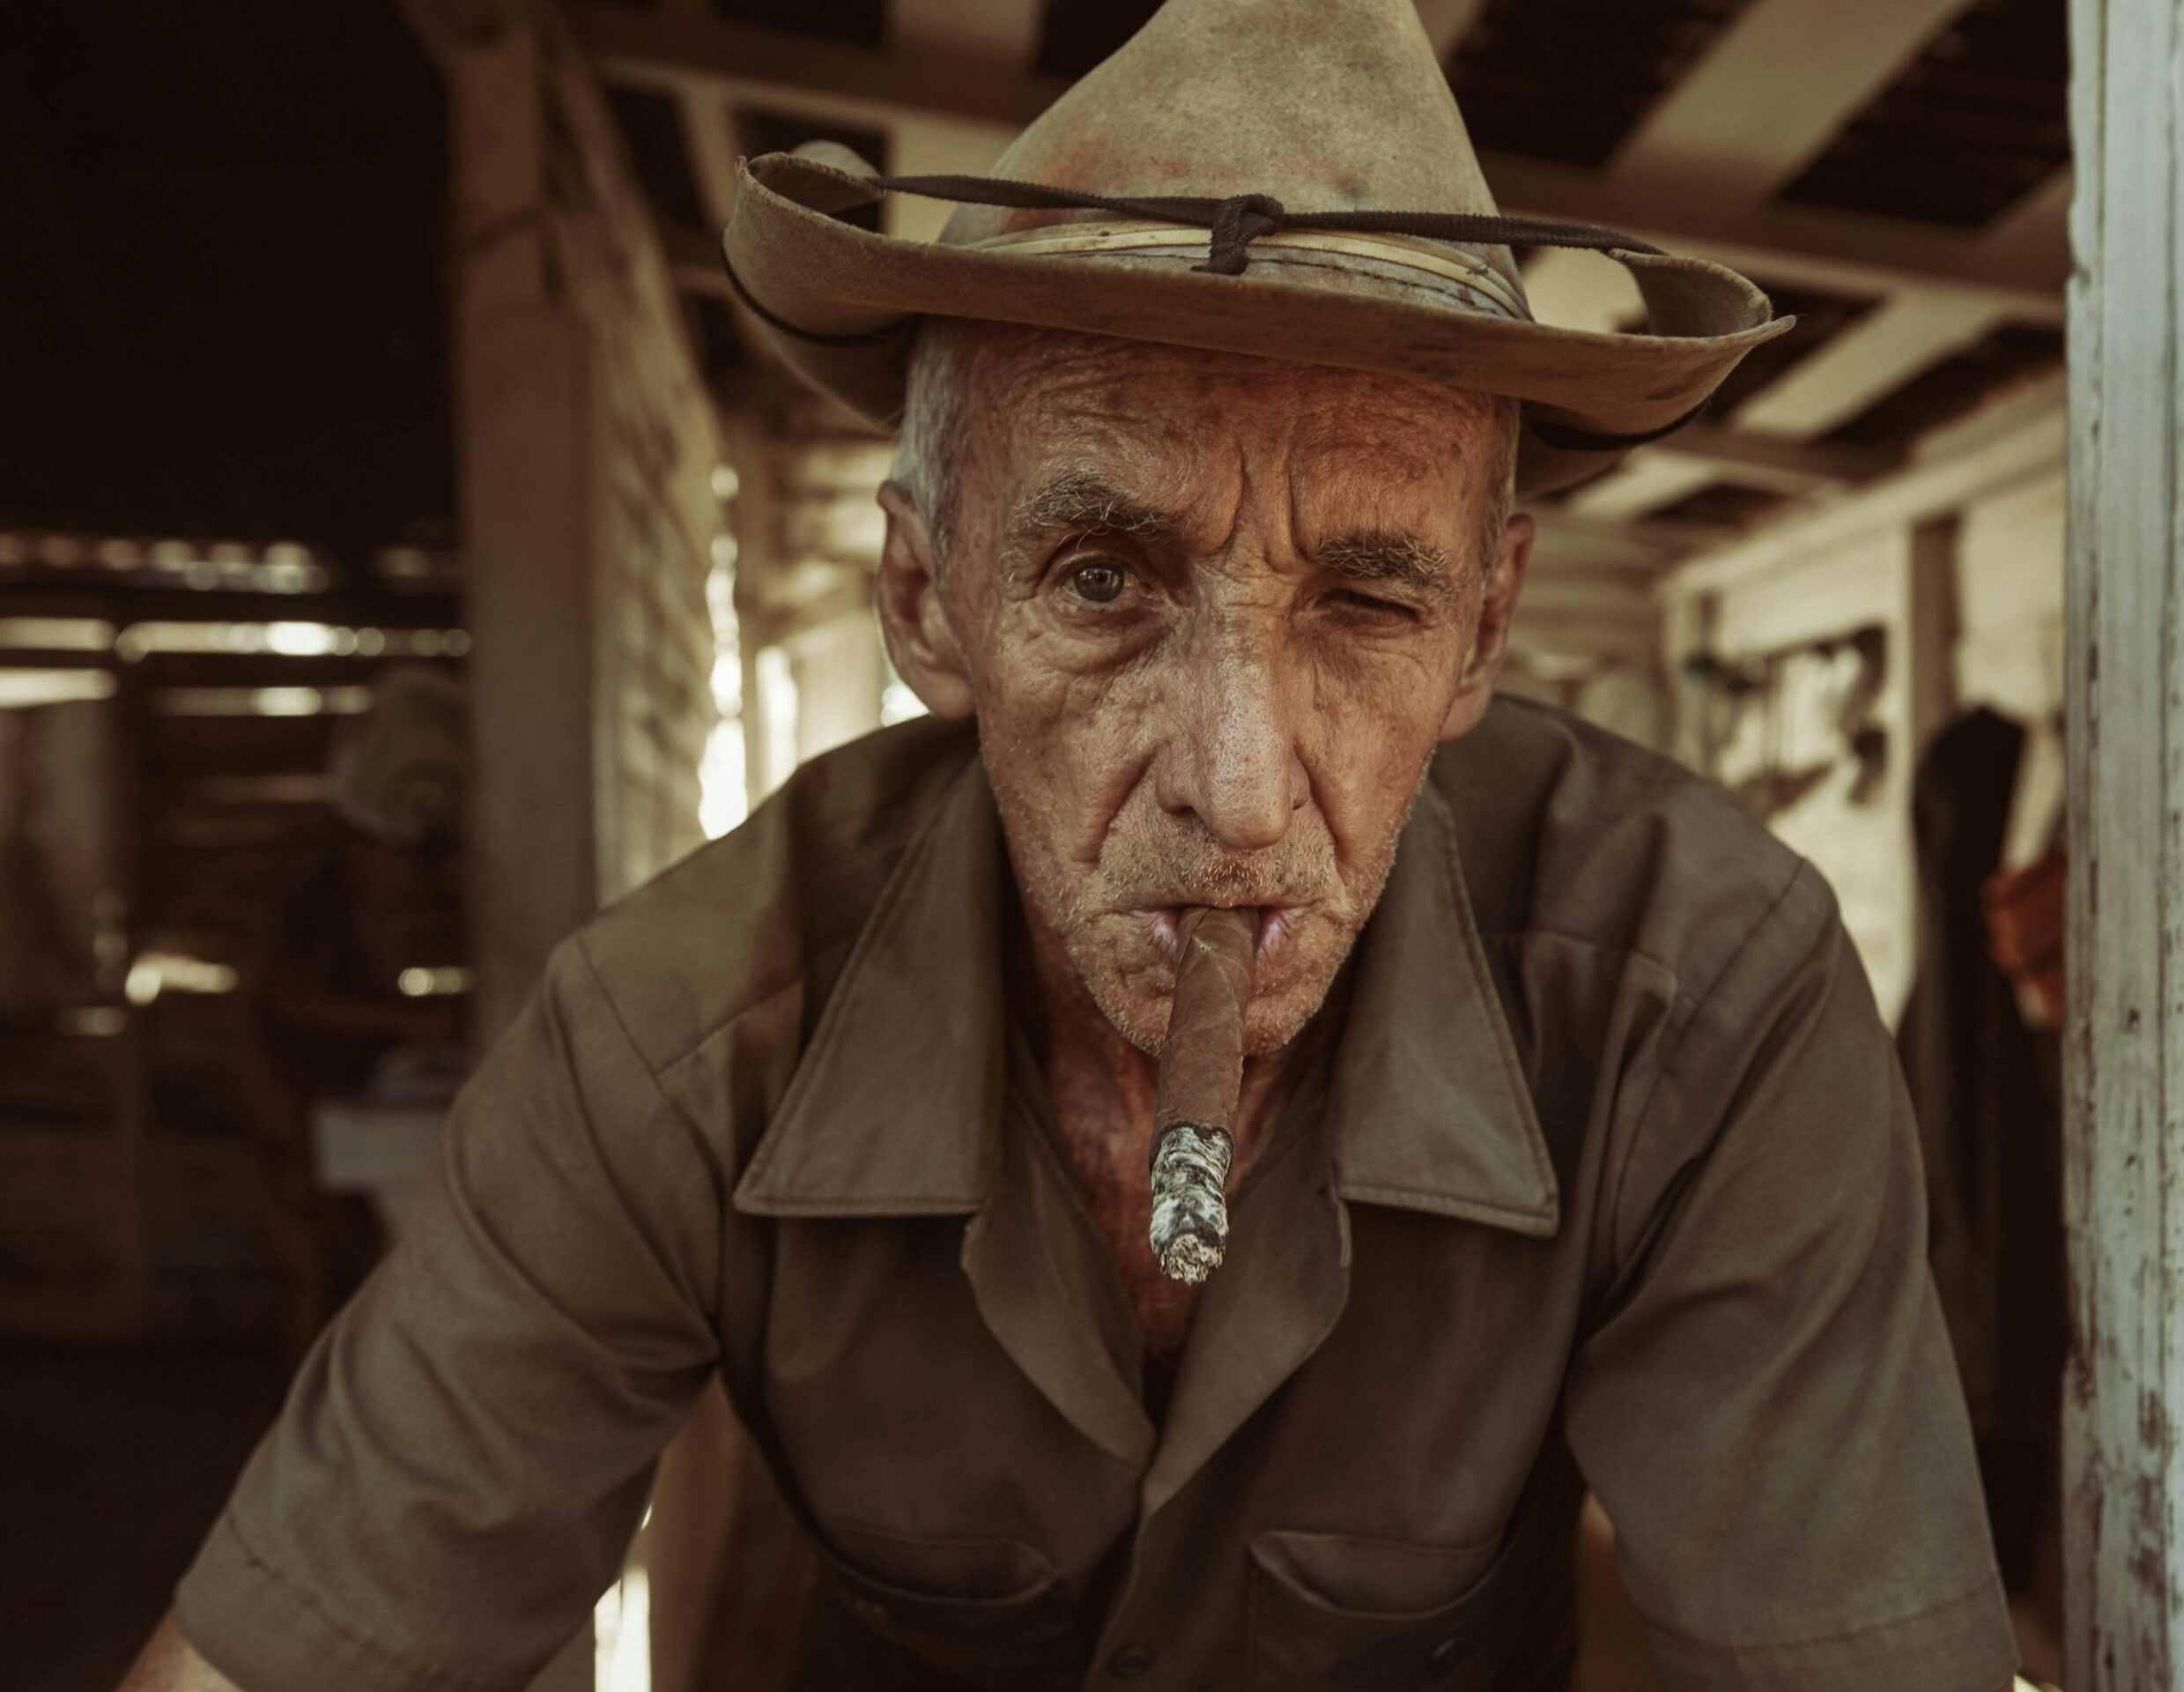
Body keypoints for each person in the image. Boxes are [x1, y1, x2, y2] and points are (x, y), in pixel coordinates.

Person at [125, 2, 2019, 1687]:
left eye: (1366, 601)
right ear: (924, 601)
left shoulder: (1704, 1003)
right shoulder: (675, 1032)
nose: (1241, 790)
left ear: (1484, 633)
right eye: (1104, 579)